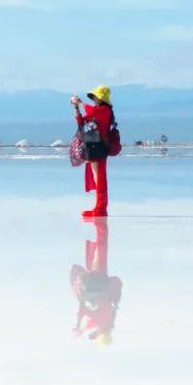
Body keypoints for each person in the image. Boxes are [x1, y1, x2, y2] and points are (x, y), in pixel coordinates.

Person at [70, 218, 123, 345]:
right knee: (100, 248)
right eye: (97, 333)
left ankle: (99, 223)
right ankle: (100, 221)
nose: (96, 332)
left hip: (100, 283)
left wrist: (81, 329)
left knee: (98, 253)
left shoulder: (108, 323)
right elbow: (84, 312)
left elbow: (90, 324)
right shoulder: (103, 322)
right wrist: (78, 326)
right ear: (102, 334)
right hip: (97, 283)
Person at [71, 85, 113, 217]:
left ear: (102, 98)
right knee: (97, 177)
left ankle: (101, 209)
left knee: (100, 178)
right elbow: (81, 121)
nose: (94, 99)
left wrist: (80, 103)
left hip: (100, 147)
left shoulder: (105, 110)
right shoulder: (97, 111)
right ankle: (99, 207)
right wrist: (76, 108)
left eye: (96, 96)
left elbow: (92, 111)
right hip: (93, 148)